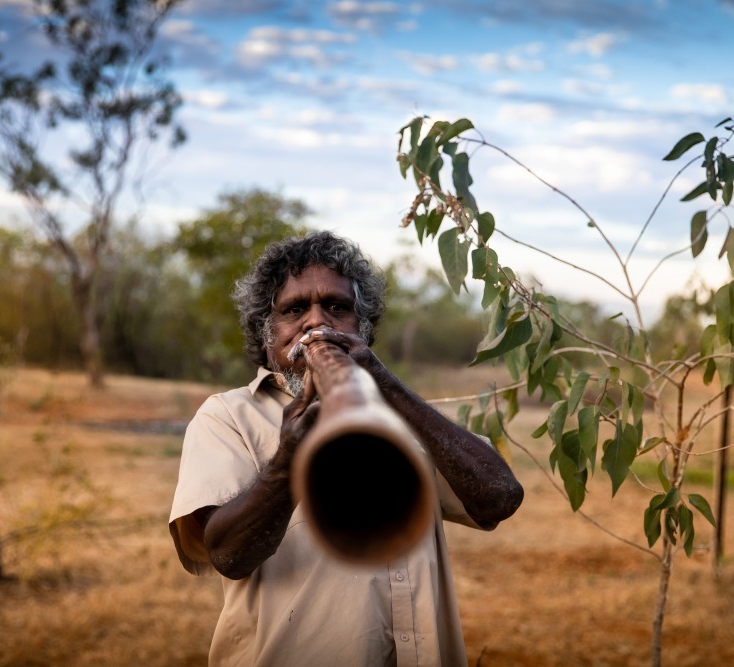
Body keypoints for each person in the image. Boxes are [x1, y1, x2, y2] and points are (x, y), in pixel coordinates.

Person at [169, 230, 524, 666]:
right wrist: (287, 463)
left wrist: (386, 383)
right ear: (269, 333)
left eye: (338, 308)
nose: (316, 323)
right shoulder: (226, 416)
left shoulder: (402, 415)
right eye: (295, 309)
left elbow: (500, 498)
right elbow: (228, 555)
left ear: (363, 329)